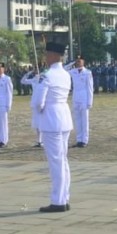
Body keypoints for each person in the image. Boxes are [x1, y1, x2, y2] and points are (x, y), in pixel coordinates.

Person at [35, 42, 74, 213]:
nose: (45, 57)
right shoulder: (66, 74)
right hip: (64, 116)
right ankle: (64, 198)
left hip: (51, 118)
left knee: (56, 162)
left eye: (47, 54)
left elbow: (37, 102)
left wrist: (40, 109)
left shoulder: (47, 75)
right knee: (63, 161)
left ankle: (58, 201)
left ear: (52, 55)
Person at [65, 56, 94, 147]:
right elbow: (63, 70)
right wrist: (71, 63)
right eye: (77, 61)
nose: (78, 63)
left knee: (84, 120)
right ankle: (79, 139)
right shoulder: (73, 71)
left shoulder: (87, 72)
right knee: (77, 120)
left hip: (84, 98)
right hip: (76, 97)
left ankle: (84, 140)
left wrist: (90, 101)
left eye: (79, 61)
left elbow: (90, 88)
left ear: (83, 62)